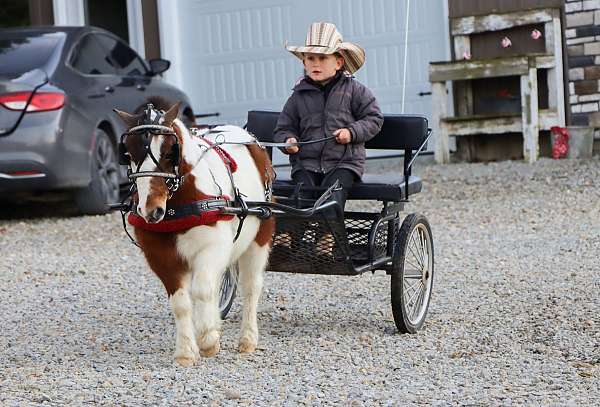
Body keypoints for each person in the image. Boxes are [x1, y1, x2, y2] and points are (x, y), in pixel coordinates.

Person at [273, 22, 384, 215]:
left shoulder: (354, 90)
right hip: (305, 163)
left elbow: (374, 118)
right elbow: (284, 128)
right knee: (300, 195)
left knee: (332, 196)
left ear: (338, 63)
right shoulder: (298, 97)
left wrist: (351, 132)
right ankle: (294, 238)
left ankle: (327, 240)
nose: (316, 63)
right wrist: (288, 141)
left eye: (323, 58)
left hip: (344, 163)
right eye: (311, 58)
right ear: (304, 63)